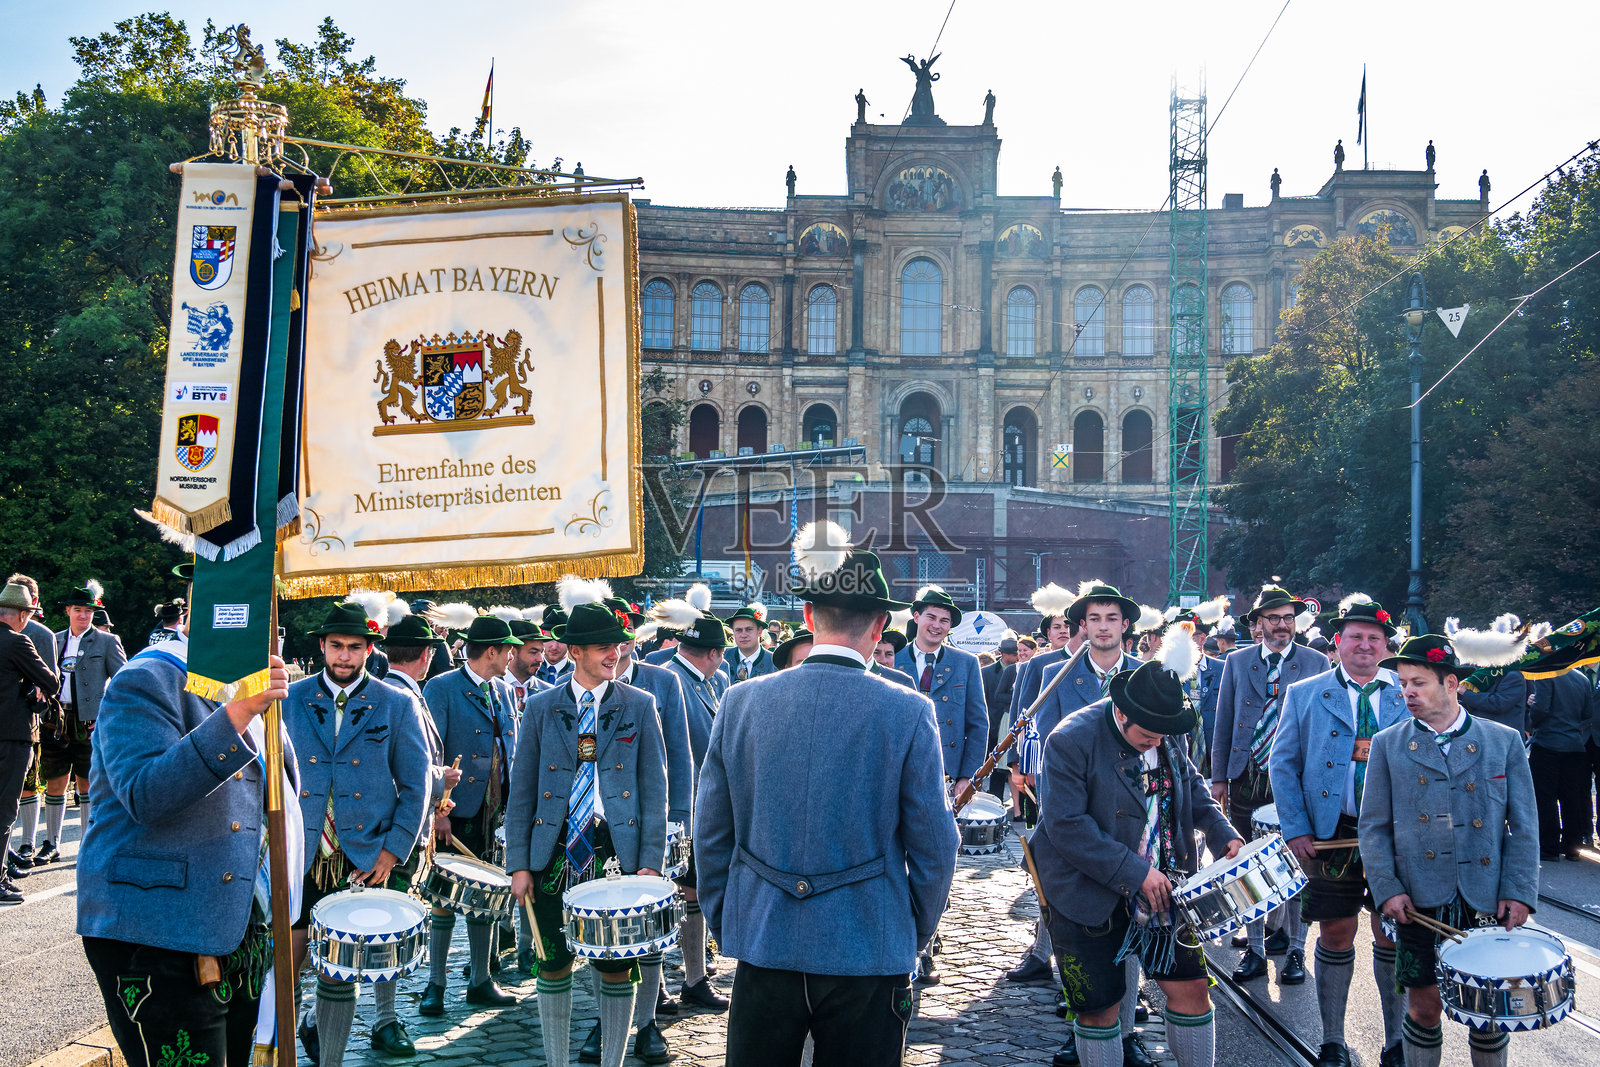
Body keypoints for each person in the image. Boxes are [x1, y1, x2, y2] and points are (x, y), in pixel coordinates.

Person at [696, 521, 958, 1066]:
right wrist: (910, 928)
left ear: (810, 617)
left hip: (764, 942)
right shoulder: (909, 711)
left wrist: (730, 919)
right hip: (869, 944)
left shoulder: (740, 702)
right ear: (882, 625)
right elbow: (935, 843)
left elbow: (712, 832)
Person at [77, 604, 297, 1067]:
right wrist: (236, 715)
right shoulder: (147, 677)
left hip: (238, 927)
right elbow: (144, 794)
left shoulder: (243, 687)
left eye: (269, 627)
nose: (265, 638)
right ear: (199, 620)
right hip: (156, 931)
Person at [1031, 643, 1243, 1067]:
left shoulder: (1165, 726)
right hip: (1084, 892)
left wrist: (1224, 834)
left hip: (1167, 888)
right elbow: (1067, 826)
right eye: (1149, 736)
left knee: (1192, 990)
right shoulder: (1071, 738)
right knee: (1098, 1007)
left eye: (1164, 735)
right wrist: (1136, 872)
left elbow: (1193, 786)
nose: (1158, 742)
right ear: (1121, 713)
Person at [504, 593, 669, 1067]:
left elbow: (654, 790)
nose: (613, 653)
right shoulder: (540, 707)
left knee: (617, 965)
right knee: (552, 962)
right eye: (602, 646)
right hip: (552, 853)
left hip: (614, 850)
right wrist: (518, 864)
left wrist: (649, 865)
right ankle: (557, 1062)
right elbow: (522, 794)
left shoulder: (640, 703)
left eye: (616, 644)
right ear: (575, 651)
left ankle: (613, 1061)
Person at [1359, 635, 1538, 1067]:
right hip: (1419, 898)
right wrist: (1386, 889)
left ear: (1452, 683)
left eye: (1418, 683)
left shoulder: (1504, 740)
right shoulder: (1387, 743)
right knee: (1423, 1008)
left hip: (1485, 897)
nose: (1407, 693)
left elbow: (1525, 827)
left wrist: (1518, 891)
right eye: (1402, 683)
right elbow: (1373, 828)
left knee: (1490, 1014)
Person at [283, 602, 431, 1067]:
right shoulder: (290, 698)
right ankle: (283, 1049)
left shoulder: (396, 703)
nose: (344, 656)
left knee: (340, 971)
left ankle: (330, 1059)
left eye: (354, 648)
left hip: (363, 855)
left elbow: (418, 784)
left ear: (369, 649)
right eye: (336, 647)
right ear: (322, 647)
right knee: (286, 964)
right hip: (299, 851)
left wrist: (393, 851)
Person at [1268, 597, 1409, 1067]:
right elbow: (1282, 764)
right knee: (1335, 930)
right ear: (1339, 643)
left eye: (1373, 638)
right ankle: (1332, 1040)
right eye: (1355, 637)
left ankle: (1396, 1043)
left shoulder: (1407, 693)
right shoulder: (1306, 692)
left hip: (1397, 836)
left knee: (1393, 931)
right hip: (1332, 834)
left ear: (1386, 645)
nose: (1364, 645)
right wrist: (1296, 827)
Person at [1015, 583, 1148, 1067]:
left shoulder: (1146, 675)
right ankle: (1084, 1026)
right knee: (1078, 927)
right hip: (1073, 819)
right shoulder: (1052, 674)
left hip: (1133, 822)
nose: (1104, 626)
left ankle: (1127, 1029)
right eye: (1095, 618)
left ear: (1125, 625)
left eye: (1113, 617)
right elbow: (1034, 740)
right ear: (1082, 626)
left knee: (1132, 926)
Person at [1210, 584, 1328, 983]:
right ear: (1258, 624)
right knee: (1250, 864)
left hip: (1295, 779)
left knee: (1298, 864)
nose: (1283, 625)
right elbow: (1223, 720)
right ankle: (1256, 949)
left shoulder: (1314, 661)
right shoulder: (1238, 661)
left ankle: (1296, 948)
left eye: (1289, 619)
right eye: (1274, 618)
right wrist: (1219, 776)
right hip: (1247, 773)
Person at [420, 614, 523, 1014]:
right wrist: (437, 810)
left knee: (490, 893)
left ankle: (482, 979)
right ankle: (436, 984)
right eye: (508, 649)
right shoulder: (442, 687)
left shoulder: (501, 689)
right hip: (456, 811)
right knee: (443, 897)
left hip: (497, 812)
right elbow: (431, 753)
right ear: (493, 651)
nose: (512, 655)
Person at [892, 582, 987, 985]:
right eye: (930, 616)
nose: (936, 625)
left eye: (944, 621)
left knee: (936, 857)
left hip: (944, 775)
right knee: (895, 854)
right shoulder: (889, 659)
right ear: (916, 618)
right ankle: (899, 936)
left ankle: (927, 942)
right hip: (894, 772)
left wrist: (969, 776)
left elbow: (977, 722)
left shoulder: (965, 664)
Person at [658, 597, 732, 1010]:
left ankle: (693, 977)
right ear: (715, 654)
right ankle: (670, 983)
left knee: (694, 891)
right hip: (676, 809)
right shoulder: (671, 679)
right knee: (670, 891)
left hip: (701, 807)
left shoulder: (707, 681)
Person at [40, 582, 127, 863]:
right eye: (78, 610)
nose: (83, 616)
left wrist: (104, 716)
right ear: (68, 610)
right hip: (56, 718)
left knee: (86, 782)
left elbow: (122, 682)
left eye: (88, 611)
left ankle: (86, 843)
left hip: (89, 719)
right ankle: (50, 843)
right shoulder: (54, 639)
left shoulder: (107, 641)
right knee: (55, 780)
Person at [0, 582, 60, 903]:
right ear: (22, 615)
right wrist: (32, 685)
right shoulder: (18, 642)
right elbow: (51, 681)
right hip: (12, 736)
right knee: (6, 810)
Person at [1528, 668, 1594, 860]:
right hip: (1574, 744)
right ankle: (1572, 847)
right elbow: (1587, 712)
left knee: (1545, 797)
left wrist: (1532, 712)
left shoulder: (1546, 674)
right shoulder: (1581, 678)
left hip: (1548, 743)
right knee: (1571, 796)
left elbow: (1540, 710)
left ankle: (1549, 847)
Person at [723, 603, 775, 683]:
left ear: (760, 631)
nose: (743, 635)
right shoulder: (723, 657)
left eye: (749, 629)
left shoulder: (773, 662)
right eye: (738, 630)